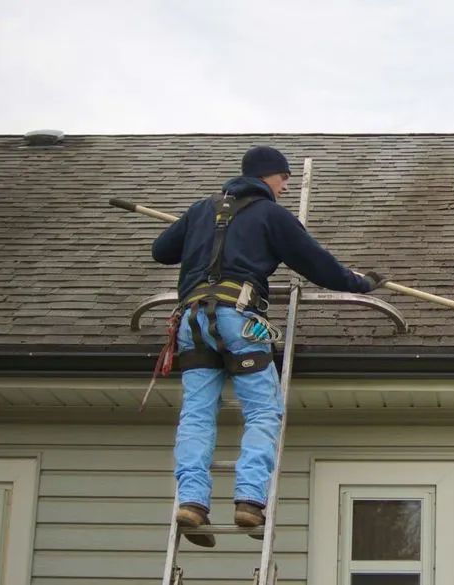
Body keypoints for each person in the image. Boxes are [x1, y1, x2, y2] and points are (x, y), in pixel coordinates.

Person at [151, 145, 386, 547]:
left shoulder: (201, 209)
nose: (286, 185)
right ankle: (249, 500)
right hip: (238, 320)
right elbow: (316, 263)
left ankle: (191, 502)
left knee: (196, 414)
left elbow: (162, 252)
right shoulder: (271, 215)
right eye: (283, 178)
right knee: (262, 410)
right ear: (267, 176)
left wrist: (196, 229)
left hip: (192, 321)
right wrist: (360, 282)